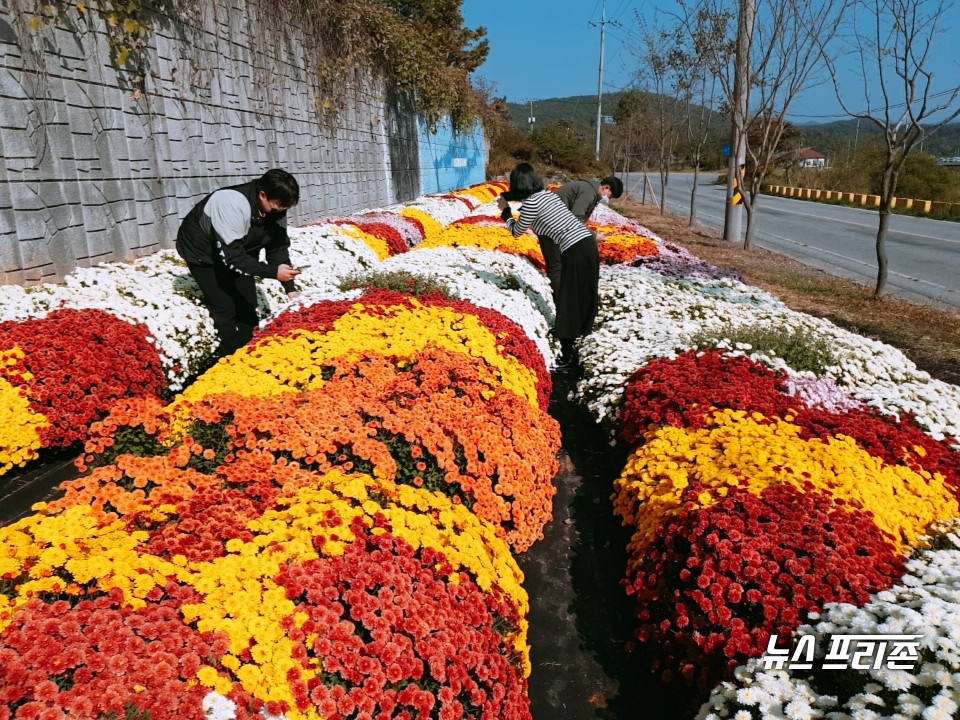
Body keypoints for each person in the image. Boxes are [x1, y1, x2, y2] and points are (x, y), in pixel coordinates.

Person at [176, 168, 302, 359]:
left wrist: (290, 287)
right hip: (203, 253)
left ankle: (248, 354)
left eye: (285, 208)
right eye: (279, 207)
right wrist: (273, 272)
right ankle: (228, 357)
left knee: (247, 303)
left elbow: (277, 248)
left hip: (239, 248)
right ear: (262, 195)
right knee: (224, 306)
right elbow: (232, 259)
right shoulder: (232, 203)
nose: (282, 212)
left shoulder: (275, 209)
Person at [497, 163, 599, 370]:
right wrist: (508, 197)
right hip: (586, 244)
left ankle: (566, 357)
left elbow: (517, 231)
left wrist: (506, 211)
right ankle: (578, 339)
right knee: (582, 295)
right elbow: (530, 202)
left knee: (569, 300)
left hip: (575, 249)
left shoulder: (531, 205)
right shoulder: (547, 195)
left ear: (517, 184)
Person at [538, 176, 624, 296]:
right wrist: (593, 236)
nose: (608, 199)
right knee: (556, 265)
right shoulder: (588, 192)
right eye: (610, 196)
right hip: (549, 226)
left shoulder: (590, 190)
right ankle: (560, 302)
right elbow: (576, 218)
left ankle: (565, 295)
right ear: (606, 187)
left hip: (555, 224)